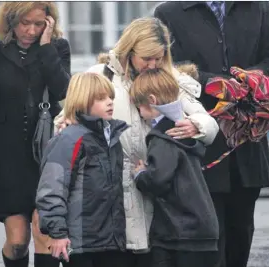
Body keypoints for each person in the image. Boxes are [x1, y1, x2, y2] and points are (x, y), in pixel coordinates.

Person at [54, 17, 219, 266]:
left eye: (159, 58)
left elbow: (208, 122)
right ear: (129, 51)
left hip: (156, 189)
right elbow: (66, 115)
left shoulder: (169, 78)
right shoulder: (100, 76)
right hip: (114, 193)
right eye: (146, 58)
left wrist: (197, 125)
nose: (152, 65)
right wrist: (65, 123)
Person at [154, 2, 269, 267]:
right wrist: (217, 84)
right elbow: (168, 66)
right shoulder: (168, 12)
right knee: (208, 239)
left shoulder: (258, 8)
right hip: (200, 143)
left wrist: (250, 80)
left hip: (247, 143)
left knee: (241, 233)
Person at [0, 2, 71, 267]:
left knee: (44, 231)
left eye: (39, 24)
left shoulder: (57, 48)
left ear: (49, 23)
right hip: (6, 153)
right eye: (26, 23)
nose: (32, 30)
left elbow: (63, 92)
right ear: (11, 20)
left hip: (46, 151)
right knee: (17, 241)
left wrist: (46, 47)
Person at [36, 72, 129, 267]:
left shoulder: (112, 138)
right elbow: (52, 190)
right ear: (83, 101)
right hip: (81, 244)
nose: (110, 102)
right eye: (101, 98)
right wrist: (58, 233)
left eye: (111, 97)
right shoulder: (69, 140)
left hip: (111, 242)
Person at [129, 68, 219, 267]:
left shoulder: (162, 138)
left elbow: (158, 179)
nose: (139, 113)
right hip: (202, 230)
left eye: (138, 107)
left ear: (151, 100)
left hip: (180, 233)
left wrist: (140, 174)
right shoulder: (185, 130)